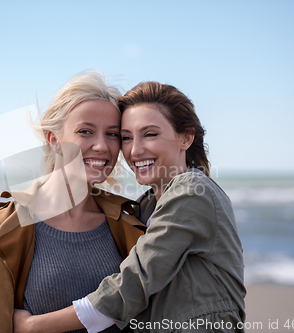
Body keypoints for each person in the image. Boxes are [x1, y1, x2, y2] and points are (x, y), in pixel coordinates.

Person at [13, 81, 246, 332]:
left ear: (186, 138)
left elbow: (132, 286)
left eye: (150, 134)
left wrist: (32, 326)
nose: (134, 150)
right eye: (125, 137)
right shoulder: (144, 207)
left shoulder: (192, 192)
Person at [0, 70, 145, 333]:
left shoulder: (129, 221)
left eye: (112, 134)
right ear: (54, 140)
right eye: (86, 131)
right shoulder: (5, 227)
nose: (101, 146)